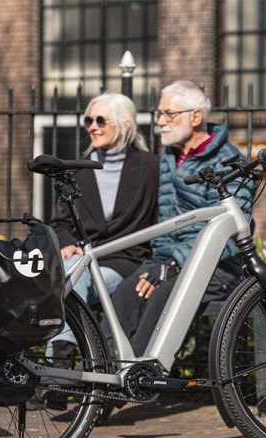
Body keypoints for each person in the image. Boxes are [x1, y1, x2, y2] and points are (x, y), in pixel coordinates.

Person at [107, 80, 255, 356]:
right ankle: (101, 373)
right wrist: (164, 262)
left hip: (215, 267)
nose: (160, 122)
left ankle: (139, 374)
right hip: (167, 262)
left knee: (165, 297)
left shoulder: (230, 162)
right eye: (158, 114)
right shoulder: (167, 157)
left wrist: (176, 261)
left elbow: (234, 231)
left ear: (196, 116)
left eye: (168, 114)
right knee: (126, 294)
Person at [48, 92, 158, 355]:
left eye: (100, 120)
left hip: (124, 260)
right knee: (71, 270)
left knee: (72, 277)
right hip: (83, 259)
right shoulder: (77, 170)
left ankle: (63, 362)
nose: (92, 127)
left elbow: (161, 217)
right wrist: (66, 244)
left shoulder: (151, 167)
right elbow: (60, 221)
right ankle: (61, 359)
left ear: (125, 124)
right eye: (88, 120)